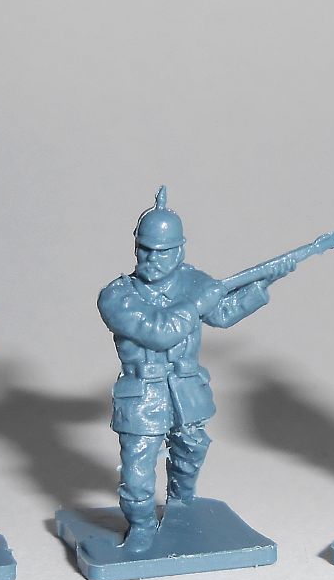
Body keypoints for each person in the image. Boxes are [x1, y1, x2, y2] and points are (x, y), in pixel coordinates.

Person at [96, 187, 292, 552]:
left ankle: (181, 505)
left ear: (179, 250)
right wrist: (197, 302)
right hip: (143, 395)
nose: (152, 258)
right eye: (145, 249)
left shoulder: (193, 281)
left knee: (191, 450)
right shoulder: (118, 295)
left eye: (162, 251)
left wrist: (263, 283)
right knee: (137, 471)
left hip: (185, 390)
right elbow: (158, 332)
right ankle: (141, 525)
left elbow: (222, 313)